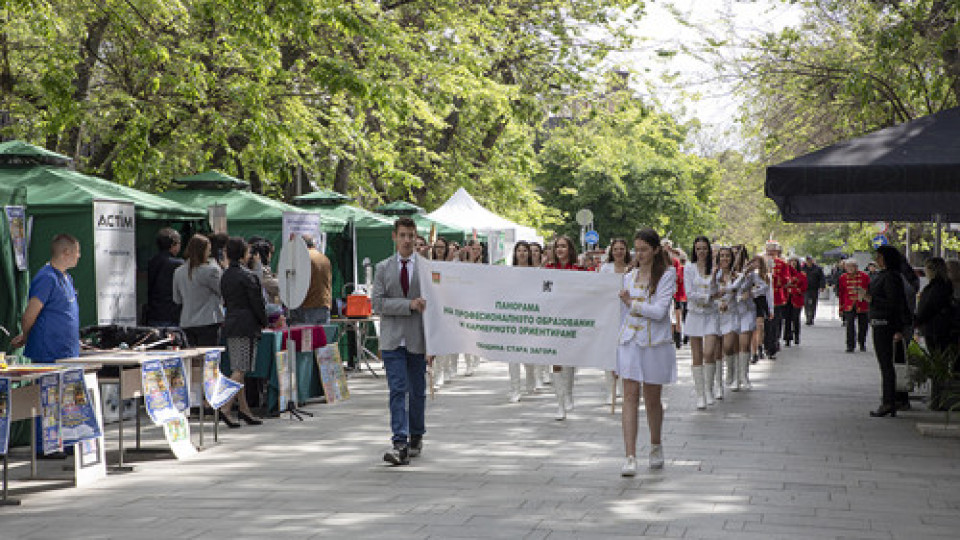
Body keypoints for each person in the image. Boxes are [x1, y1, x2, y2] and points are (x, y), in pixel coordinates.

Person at [617, 228, 676, 475]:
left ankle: (655, 444)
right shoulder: (629, 277)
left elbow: (661, 311)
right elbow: (621, 314)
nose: (638, 254)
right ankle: (629, 455)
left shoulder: (667, 274)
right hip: (630, 341)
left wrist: (633, 303)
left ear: (654, 250)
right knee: (629, 396)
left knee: (652, 399)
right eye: (636, 249)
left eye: (643, 249)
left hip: (654, 344)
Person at [372, 217, 428, 466]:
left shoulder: (426, 268)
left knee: (417, 392)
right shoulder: (383, 268)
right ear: (394, 237)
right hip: (393, 339)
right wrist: (409, 305)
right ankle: (399, 441)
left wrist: (434, 343)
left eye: (411, 235)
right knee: (397, 389)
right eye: (403, 235)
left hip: (418, 339)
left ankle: (416, 433)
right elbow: (378, 303)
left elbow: (436, 306)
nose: (407, 240)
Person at [219, 237, 268, 427]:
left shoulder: (225, 275)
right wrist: (263, 321)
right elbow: (257, 304)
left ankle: (244, 409)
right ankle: (225, 406)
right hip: (246, 325)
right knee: (241, 369)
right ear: (243, 253)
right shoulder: (248, 276)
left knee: (239, 368)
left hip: (231, 322)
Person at [12, 234, 82, 362]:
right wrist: (27, 336)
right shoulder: (47, 278)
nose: (79, 256)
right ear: (66, 252)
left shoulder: (67, 278)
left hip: (68, 353)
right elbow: (29, 315)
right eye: (77, 252)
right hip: (48, 355)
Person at [544, 235, 585, 420]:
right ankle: (559, 403)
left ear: (570, 249)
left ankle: (568, 392)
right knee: (556, 362)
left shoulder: (578, 269)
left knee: (569, 360)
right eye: (557, 246)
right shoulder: (547, 269)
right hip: (553, 320)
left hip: (573, 319)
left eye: (563, 246)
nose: (559, 249)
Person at [865, 245, 909, 418]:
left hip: (886, 324)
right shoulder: (883, 275)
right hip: (879, 322)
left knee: (886, 363)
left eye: (880, 257)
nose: (877, 260)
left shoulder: (891, 277)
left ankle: (889, 401)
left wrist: (871, 298)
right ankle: (889, 399)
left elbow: (894, 303)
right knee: (885, 363)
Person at [684, 236, 720, 409]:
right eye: (698, 249)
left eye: (704, 248)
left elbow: (718, 292)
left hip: (711, 314)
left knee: (709, 352)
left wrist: (713, 280)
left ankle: (709, 389)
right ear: (694, 250)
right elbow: (689, 294)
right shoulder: (689, 269)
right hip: (694, 315)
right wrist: (708, 297)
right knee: (696, 355)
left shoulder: (715, 269)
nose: (701, 252)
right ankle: (700, 394)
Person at [172, 234, 224, 347]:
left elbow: (177, 299)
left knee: (192, 361)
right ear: (203, 251)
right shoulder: (211, 270)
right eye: (208, 250)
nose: (209, 254)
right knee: (208, 361)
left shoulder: (178, 272)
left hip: (187, 322)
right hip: (209, 321)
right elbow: (222, 291)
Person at [599, 238, 631, 406]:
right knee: (609, 352)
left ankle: (624, 386)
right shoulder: (606, 269)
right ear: (611, 251)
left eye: (622, 248)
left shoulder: (632, 269)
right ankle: (610, 388)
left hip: (627, 315)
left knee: (624, 351)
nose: (619, 252)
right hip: (609, 314)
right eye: (616, 249)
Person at [507, 241, 539, 402]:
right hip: (513, 318)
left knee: (528, 356)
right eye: (519, 250)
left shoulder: (536, 272)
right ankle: (515, 388)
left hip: (530, 318)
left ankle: (531, 381)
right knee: (512, 356)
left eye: (525, 250)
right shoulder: (509, 273)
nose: (522, 253)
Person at [914, 258, 954, 355]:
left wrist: (916, 321)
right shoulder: (944, 285)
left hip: (934, 328)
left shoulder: (936, 287)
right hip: (938, 327)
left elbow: (928, 307)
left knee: (937, 356)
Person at [290, 235, 332, 325]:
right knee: (322, 337)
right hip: (324, 304)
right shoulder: (324, 258)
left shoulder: (302, 258)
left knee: (306, 337)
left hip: (307, 305)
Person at [145, 228, 183, 327]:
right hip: (171, 314)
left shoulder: (152, 261)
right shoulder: (178, 264)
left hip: (154, 313)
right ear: (173, 245)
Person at [763, 241, 793, 360]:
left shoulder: (782, 263)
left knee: (775, 323)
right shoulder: (762, 262)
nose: (770, 252)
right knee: (765, 323)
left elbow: (787, 279)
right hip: (764, 297)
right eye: (768, 250)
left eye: (773, 250)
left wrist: (776, 276)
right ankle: (765, 344)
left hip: (777, 297)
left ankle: (773, 346)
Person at [838, 260, 870, 353]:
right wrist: (841, 308)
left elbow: (869, 289)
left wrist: (864, 293)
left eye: (852, 266)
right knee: (850, 325)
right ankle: (850, 345)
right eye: (848, 266)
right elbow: (841, 293)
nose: (850, 268)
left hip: (862, 303)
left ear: (856, 267)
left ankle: (862, 342)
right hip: (849, 304)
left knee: (863, 325)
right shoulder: (843, 277)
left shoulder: (864, 276)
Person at [748, 255, 774, 364]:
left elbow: (769, 293)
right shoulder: (749, 275)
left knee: (760, 327)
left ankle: (759, 346)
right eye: (754, 262)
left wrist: (771, 309)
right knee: (753, 329)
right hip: (751, 302)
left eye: (758, 263)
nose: (756, 265)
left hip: (761, 302)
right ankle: (754, 352)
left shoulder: (766, 276)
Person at [783, 257, 808, 346]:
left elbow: (804, 288)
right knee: (787, 319)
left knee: (796, 318)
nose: (793, 264)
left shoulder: (802, 275)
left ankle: (797, 336)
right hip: (787, 299)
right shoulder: (785, 274)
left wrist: (793, 291)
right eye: (791, 262)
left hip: (797, 299)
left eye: (794, 262)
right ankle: (787, 337)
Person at [802, 256, 826, 325]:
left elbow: (822, 278)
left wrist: (822, 286)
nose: (809, 262)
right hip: (805, 288)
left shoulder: (817, 269)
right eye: (807, 260)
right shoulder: (802, 268)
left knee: (813, 303)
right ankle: (807, 317)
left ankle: (811, 317)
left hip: (814, 288)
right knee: (806, 303)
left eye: (810, 260)